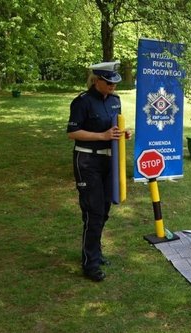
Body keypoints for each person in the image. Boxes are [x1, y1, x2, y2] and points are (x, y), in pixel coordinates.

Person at [66, 61, 132, 282]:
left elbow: (114, 126)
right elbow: (73, 133)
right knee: (93, 213)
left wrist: (122, 134)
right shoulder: (82, 102)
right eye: (109, 82)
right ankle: (90, 263)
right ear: (96, 81)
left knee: (103, 211)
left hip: (108, 162)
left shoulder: (115, 101)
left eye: (115, 83)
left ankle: (95, 252)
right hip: (87, 161)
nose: (113, 86)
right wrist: (102, 136)